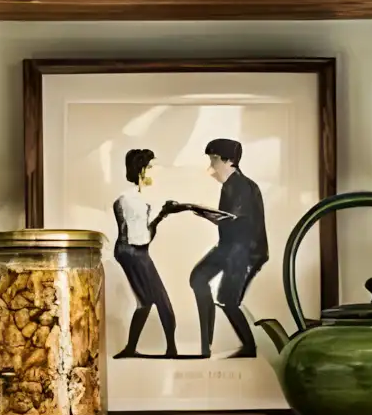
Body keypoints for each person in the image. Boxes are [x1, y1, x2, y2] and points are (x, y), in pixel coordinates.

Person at [166, 138, 270, 358]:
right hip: (230, 246)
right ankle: (206, 346)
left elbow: (230, 219)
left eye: (214, 159)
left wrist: (190, 208)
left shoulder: (242, 185)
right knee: (198, 278)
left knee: (228, 300)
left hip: (245, 250)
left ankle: (249, 348)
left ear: (230, 161)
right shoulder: (230, 185)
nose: (211, 166)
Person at [109, 147, 179, 359]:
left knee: (146, 302)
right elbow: (138, 238)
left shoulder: (137, 199)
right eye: (150, 167)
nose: (155, 172)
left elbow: (144, 234)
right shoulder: (130, 200)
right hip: (133, 253)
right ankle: (171, 350)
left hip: (132, 251)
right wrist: (166, 213)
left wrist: (161, 216)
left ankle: (131, 348)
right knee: (162, 301)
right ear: (140, 170)